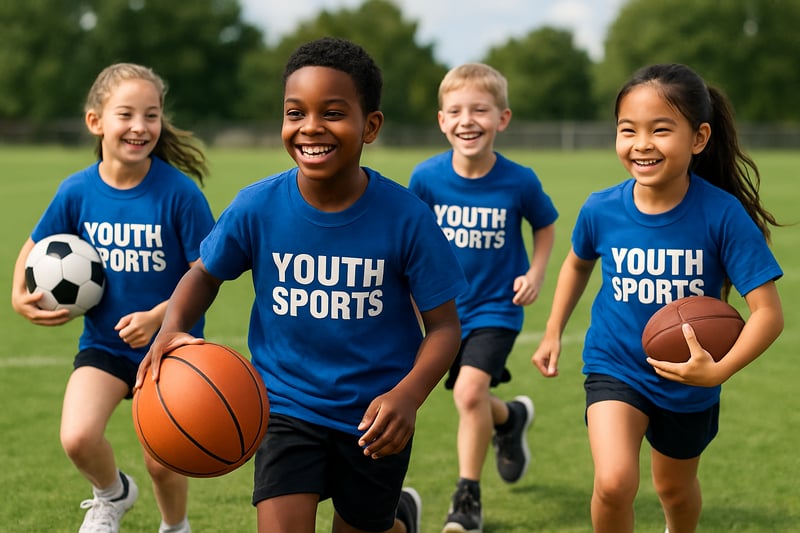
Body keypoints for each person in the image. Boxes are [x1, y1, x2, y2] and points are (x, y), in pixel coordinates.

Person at [135, 37, 467, 533]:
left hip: (373, 418)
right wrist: (171, 327)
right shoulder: (257, 206)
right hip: (284, 406)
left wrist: (408, 396)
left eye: (332, 113)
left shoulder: (407, 218)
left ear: (369, 125)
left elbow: (444, 328)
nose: (311, 127)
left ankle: (397, 524)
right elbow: (203, 273)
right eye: (295, 113)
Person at [531, 63, 784, 533]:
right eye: (628, 130)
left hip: (691, 380)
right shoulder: (600, 208)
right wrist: (552, 331)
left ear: (699, 137)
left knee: (674, 489)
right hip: (615, 364)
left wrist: (717, 371)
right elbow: (576, 263)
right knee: (613, 482)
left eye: (660, 130)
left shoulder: (722, 215)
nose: (641, 143)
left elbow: (768, 314)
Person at [11, 63, 215, 533]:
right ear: (96, 121)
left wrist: (161, 319)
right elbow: (35, 245)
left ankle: (175, 526)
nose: (140, 127)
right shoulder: (77, 191)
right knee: (77, 436)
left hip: (169, 349)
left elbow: (206, 274)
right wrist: (17, 295)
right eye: (126, 114)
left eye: (151, 115)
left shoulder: (179, 194)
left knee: (164, 462)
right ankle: (112, 493)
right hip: (104, 345)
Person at [409, 63, 558, 533]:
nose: (467, 119)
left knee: (469, 392)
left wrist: (535, 272)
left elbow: (546, 225)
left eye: (480, 109)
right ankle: (510, 419)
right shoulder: (427, 178)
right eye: (455, 110)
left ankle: (466, 500)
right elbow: (410, 238)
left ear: (503, 118)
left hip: (497, 307)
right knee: (477, 399)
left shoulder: (519, 181)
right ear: (441, 120)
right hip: (443, 310)